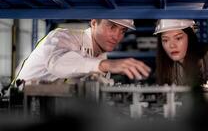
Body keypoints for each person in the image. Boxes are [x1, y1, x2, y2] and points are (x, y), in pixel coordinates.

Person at [16, 19, 151, 83]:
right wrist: (105, 65)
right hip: (20, 110)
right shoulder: (62, 36)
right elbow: (56, 63)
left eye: (123, 31)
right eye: (112, 27)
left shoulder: (101, 56)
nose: (117, 36)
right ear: (93, 23)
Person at [154, 19, 208, 86]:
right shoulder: (172, 68)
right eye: (165, 40)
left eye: (178, 38)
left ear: (190, 37)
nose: (172, 45)